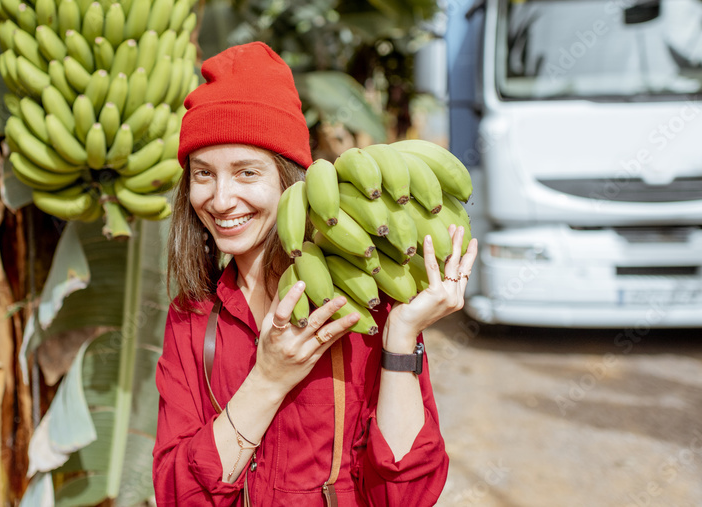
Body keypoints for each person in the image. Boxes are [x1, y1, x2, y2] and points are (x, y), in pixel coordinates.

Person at [152, 42, 479, 506]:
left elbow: (407, 495)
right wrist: (268, 379)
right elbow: (177, 494)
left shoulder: (365, 306)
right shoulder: (192, 318)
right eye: (203, 174)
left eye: (247, 173)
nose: (221, 199)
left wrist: (402, 337)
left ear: (289, 179)